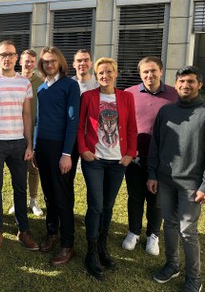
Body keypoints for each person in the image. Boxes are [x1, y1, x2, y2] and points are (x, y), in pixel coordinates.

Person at [147, 66, 205, 292]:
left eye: (190, 82)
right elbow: (156, 145)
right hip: (166, 181)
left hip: (192, 185)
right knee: (169, 224)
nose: (185, 85)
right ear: (176, 83)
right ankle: (172, 265)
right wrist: (152, 173)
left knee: (187, 230)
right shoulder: (166, 112)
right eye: (181, 81)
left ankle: (194, 278)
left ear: (199, 84)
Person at [0, 40, 39, 253]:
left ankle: (23, 230)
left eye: (11, 54)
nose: (7, 58)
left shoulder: (24, 83)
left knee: (20, 188)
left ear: (16, 57)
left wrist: (29, 143)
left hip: (18, 143)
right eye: (3, 54)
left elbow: (27, 115)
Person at [77, 57, 137, 280]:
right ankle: (91, 251)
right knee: (95, 205)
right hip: (94, 160)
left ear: (116, 73)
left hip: (117, 162)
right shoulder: (88, 97)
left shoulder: (126, 97)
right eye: (101, 73)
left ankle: (103, 246)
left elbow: (132, 127)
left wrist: (130, 153)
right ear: (96, 75)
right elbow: (79, 125)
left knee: (109, 205)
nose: (105, 76)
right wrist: (83, 149)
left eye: (109, 72)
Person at [122, 57, 178, 255]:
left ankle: (153, 234)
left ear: (161, 71)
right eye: (145, 72)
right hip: (135, 156)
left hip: (163, 158)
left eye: (153, 70)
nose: (149, 75)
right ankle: (133, 231)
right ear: (140, 74)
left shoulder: (174, 94)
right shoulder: (129, 94)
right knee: (135, 196)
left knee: (156, 198)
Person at [34, 46, 80, 265]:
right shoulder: (42, 88)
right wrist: (35, 148)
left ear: (60, 62)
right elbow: (39, 121)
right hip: (42, 148)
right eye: (45, 62)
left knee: (62, 197)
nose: (49, 64)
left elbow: (73, 121)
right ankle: (52, 232)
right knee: (49, 195)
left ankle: (67, 244)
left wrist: (66, 153)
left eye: (53, 61)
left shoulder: (70, 85)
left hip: (59, 148)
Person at [8, 50, 43, 217]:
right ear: (20, 62)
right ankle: (17, 200)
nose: (28, 64)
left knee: (34, 168)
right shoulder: (14, 80)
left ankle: (33, 199)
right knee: (17, 168)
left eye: (32, 61)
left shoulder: (40, 82)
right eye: (26, 61)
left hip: (35, 131)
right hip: (15, 131)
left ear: (35, 63)